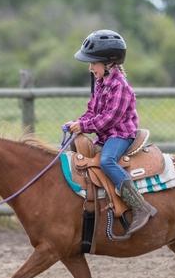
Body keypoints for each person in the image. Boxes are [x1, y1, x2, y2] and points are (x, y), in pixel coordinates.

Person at [66, 29, 157, 235]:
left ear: (108, 63)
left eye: (93, 63)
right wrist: (78, 122)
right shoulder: (100, 83)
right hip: (106, 134)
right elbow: (92, 111)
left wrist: (85, 127)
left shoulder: (120, 87)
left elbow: (110, 118)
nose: (90, 68)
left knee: (107, 161)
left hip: (120, 134)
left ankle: (139, 206)